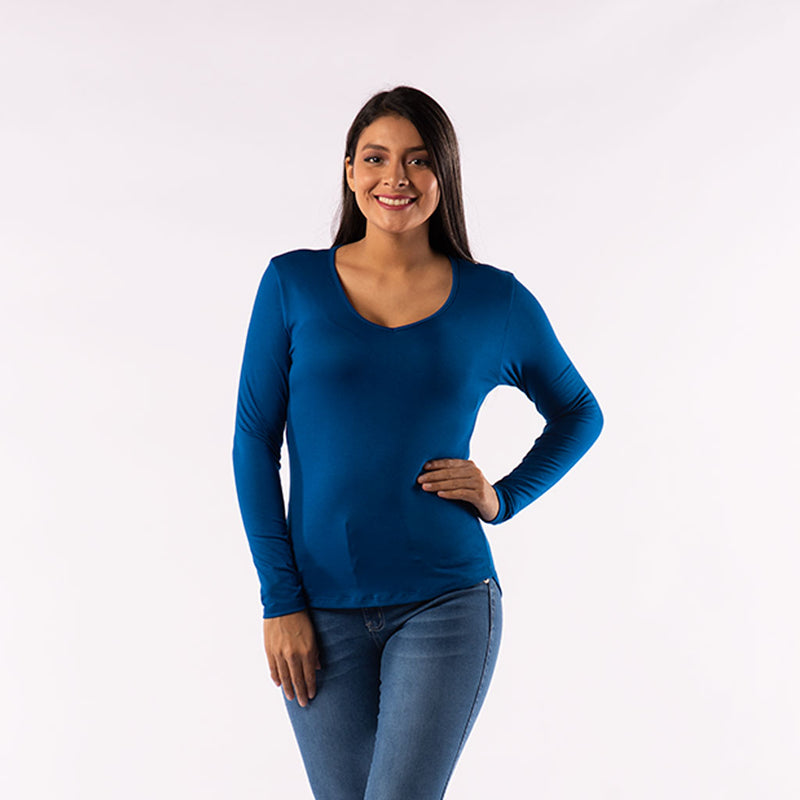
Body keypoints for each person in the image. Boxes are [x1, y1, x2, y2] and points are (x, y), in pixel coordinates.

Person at [232, 85, 603, 800]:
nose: (395, 177)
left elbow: (579, 412)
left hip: (447, 603)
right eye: (376, 158)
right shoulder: (292, 283)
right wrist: (280, 602)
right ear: (349, 171)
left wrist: (502, 497)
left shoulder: (496, 300)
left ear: (444, 174)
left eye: (418, 160)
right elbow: (253, 443)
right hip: (317, 609)